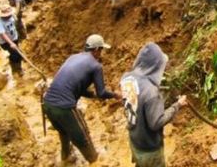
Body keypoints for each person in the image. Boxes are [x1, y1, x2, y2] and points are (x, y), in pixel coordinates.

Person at [43, 34, 121, 165]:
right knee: (82, 137)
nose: (101, 53)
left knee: (64, 132)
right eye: (101, 50)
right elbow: (102, 93)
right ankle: (95, 160)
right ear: (96, 50)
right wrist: (115, 95)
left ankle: (65, 158)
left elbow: (77, 88)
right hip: (64, 107)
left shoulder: (73, 57)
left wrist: (94, 95)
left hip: (48, 103)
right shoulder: (95, 66)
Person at [120, 42, 187, 167]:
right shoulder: (152, 93)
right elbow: (156, 123)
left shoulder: (126, 78)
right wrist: (177, 105)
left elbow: (130, 101)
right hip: (149, 149)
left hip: (134, 141)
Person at [0, 6, 23, 76]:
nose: (9, 16)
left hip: (14, 38)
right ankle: (17, 69)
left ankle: (15, 66)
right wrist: (11, 43)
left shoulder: (12, 16)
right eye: (8, 15)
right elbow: (2, 34)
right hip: (5, 42)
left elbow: (15, 24)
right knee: (16, 54)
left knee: (15, 54)